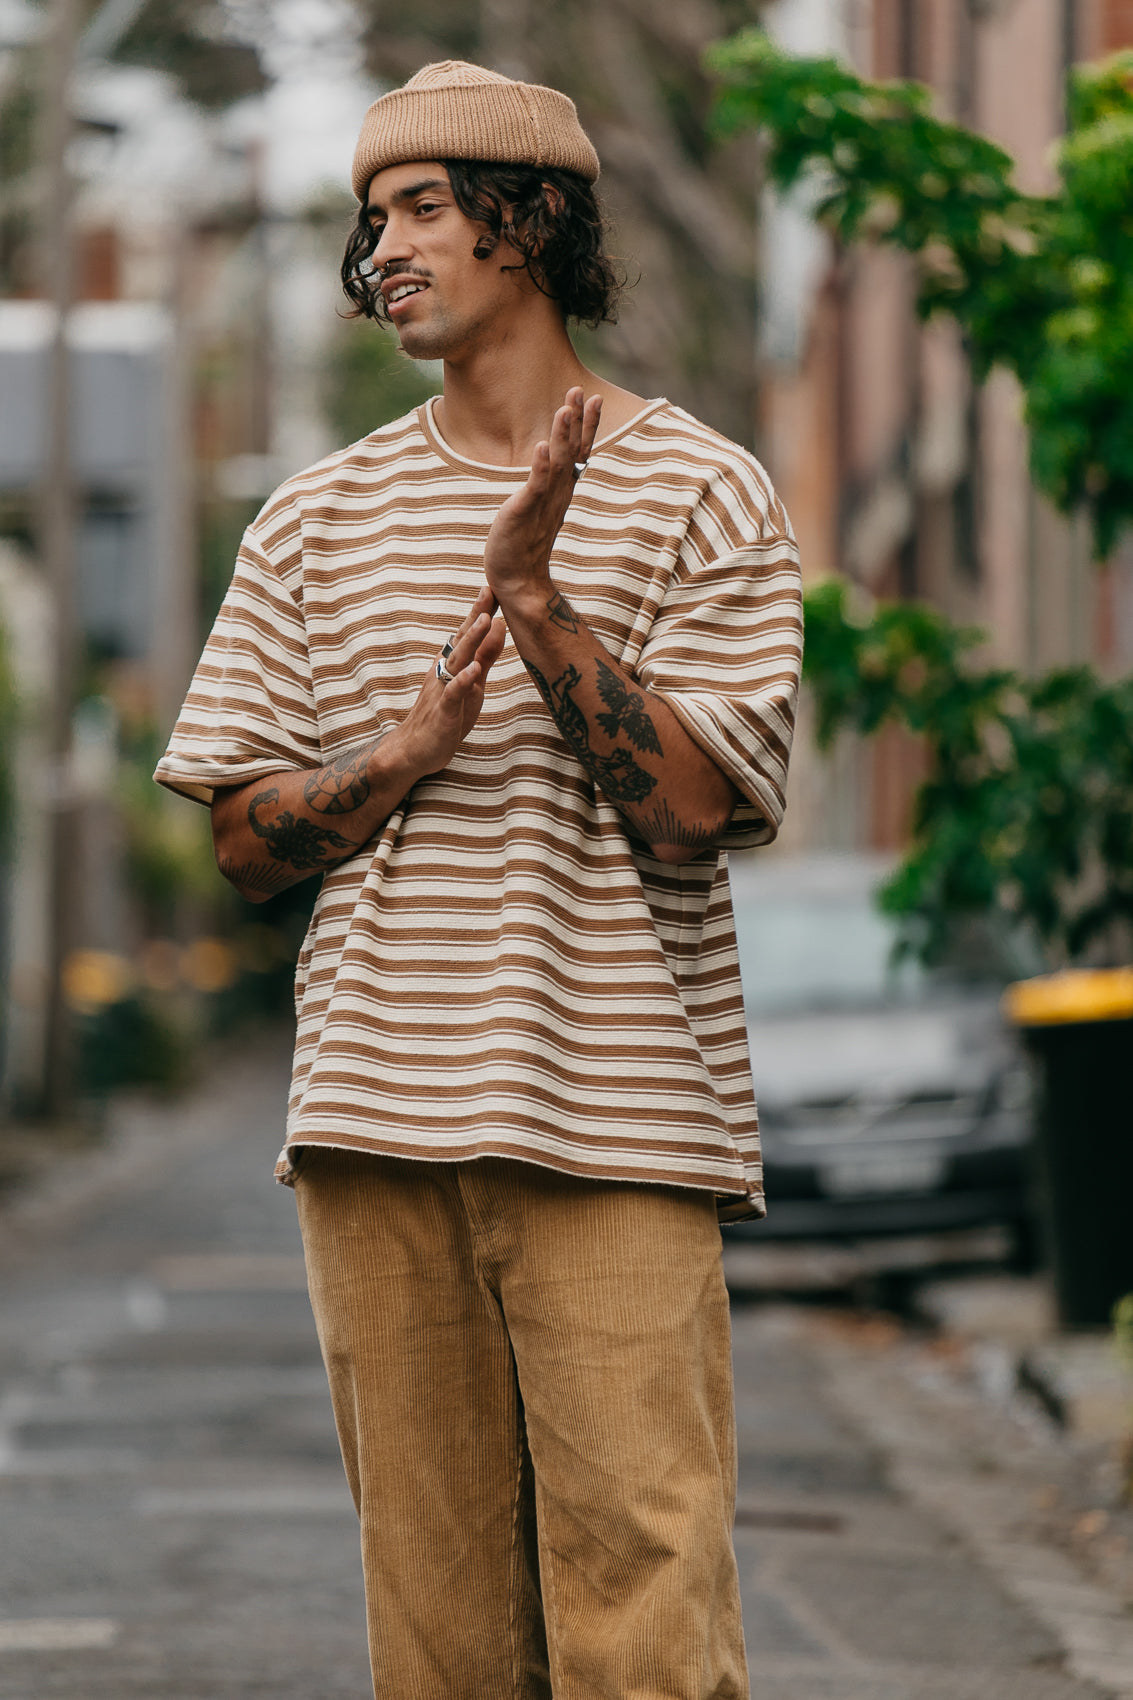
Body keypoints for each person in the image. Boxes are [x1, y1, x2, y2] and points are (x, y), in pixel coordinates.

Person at [155, 58, 802, 1700]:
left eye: (425, 208)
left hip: (619, 1121)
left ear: (530, 224)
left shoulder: (703, 489)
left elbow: (683, 810)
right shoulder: (313, 518)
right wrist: (389, 761)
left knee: (645, 1610)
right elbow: (237, 841)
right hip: (374, 1118)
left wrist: (534, 601)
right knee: (436, 1638)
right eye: (372, 218)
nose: (386, 249)